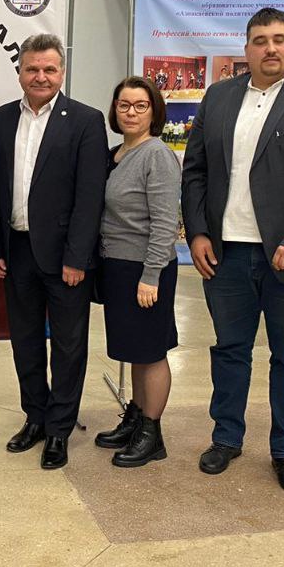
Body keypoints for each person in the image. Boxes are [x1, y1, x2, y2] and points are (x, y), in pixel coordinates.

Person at [180, 7, 284, 494]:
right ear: (247, 49)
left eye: (279, 39)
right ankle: (226, 438)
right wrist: (197, 232)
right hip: (226, 253)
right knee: (229, 350)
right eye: (260, 40)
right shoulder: (219, 96)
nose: (270, 48)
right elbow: (195, 171)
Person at [0, 33, 107, 470]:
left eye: (49, 69)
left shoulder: (86, 120)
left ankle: (59, 429)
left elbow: (90, 196)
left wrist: (77, 257)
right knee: (25, 341)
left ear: (62, 73)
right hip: (15, 250)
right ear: (20, 72)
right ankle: (35, 417)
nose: (40, 76)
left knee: (69, 346)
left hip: (65, 257)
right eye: (32, 69)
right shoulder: (0, 119)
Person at [93, 76, 181, 468]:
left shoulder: (156, 155)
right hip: (118, 267)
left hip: (146, 268)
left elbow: (165, 223)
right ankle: (136, 417)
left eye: (140, 105)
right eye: (124, 105)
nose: (131, 112)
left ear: (154, 111)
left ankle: (152, 433)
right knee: (135, 350)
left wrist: (151, 275)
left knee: (151, 352)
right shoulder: (115, 154)